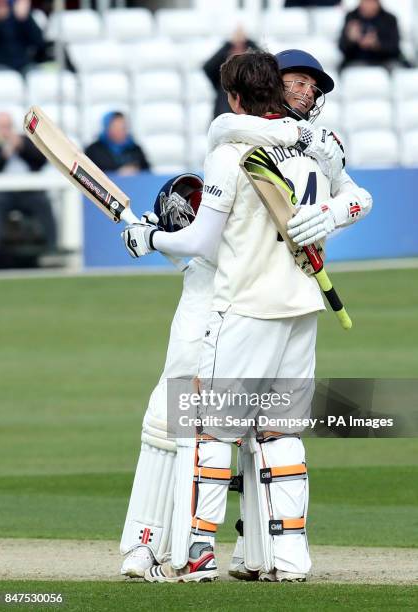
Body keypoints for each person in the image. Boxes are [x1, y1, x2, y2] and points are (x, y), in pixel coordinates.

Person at [121, 50, 372, 583]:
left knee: (212, 431)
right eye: (295, 82)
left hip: (245, 308)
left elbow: (205, 239)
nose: (305, 92)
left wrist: (150, 237)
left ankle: (195, 555)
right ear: (273, 90)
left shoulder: (234, 149)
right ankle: (289, 560)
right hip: (302, 309)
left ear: (235, 96)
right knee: (282, 435)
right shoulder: (308, 157)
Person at [0, 111, 56, 268]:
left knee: (43, 203)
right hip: (2, 193)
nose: (5, 131)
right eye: (2, 127)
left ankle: (52, 249)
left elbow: (40, 161)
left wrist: (21, 147)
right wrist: (5, 153)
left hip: (28, 191)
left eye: (8, 127)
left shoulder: (24, 141)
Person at [203, 27, 259, 120]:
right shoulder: (221, 76)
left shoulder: (254, 76)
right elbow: (208, 67)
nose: (238, 55)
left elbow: (266, 64)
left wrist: (248, 42)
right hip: (224, 118)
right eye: (235, 49)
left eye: (242, 48)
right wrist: (228, 45)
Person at [338, 0, 409, 71]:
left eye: (371, 2)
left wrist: (376, 44)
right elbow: (342, 48)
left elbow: (394, 47)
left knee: (397, 68)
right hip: (357, 60)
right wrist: (350, 39)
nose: (368, 5)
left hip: (384, 61)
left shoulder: (389, 19)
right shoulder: (351, 17)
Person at [85, 111, 150, 175]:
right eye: (116, 127)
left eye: (123, 127)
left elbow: (147, 172)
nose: (120, 131)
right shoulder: (94, 150)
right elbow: (89, 174)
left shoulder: (135, 149)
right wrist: (117, 174)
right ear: (107, 128)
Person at [0, 0, 45, 73]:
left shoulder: (19, 13)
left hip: (24, 65)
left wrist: (25, 20)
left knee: (37, 75)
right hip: (0, 66)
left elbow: (39, 42)